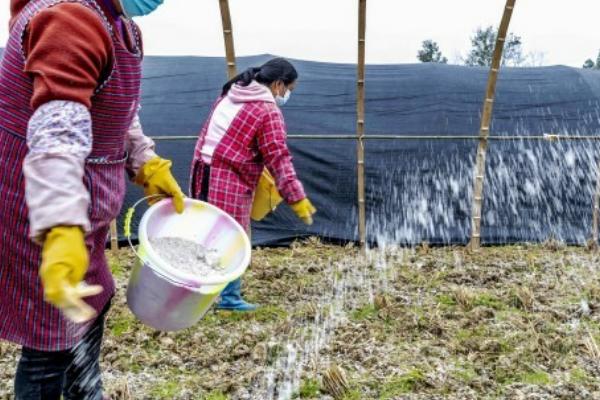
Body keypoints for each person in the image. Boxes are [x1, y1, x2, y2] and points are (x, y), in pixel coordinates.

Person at [0, 0, 185, 398]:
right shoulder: (70, 19)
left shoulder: (120, 25)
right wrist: (61, 226)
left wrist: (145, 160)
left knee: (91, 306)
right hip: (42, 203)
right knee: (51, 339)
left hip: (83, 203)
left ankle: (87, 390)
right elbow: (57, 129)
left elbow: (116, 109)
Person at [190, 58, 317, 312]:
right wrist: (296, 197)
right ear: (278, 84)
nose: (287, 95)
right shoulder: (266, 110)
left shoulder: (231, 93)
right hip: (227, 179)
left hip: (201, 170)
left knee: (206, 233)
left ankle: (196, 290)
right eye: (289, 89)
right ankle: (228, 298)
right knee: (234, 237)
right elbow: (278, 156)